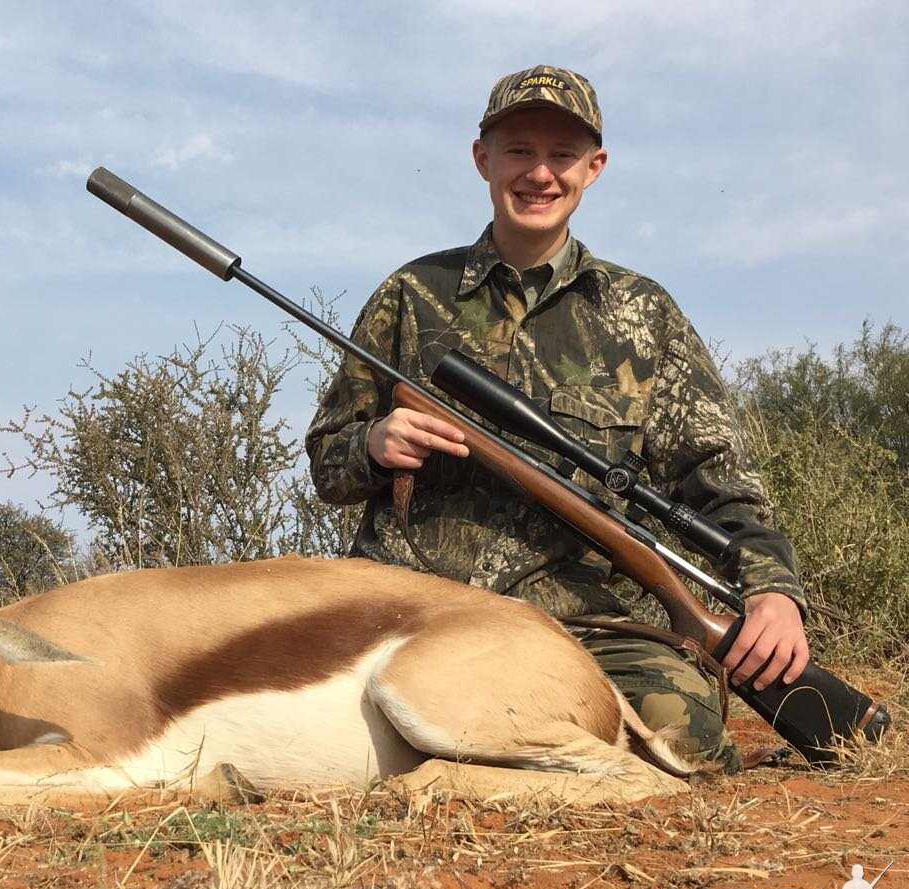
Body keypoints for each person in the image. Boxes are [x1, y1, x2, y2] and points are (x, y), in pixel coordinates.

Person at [305, 65, 811, 771]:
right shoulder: (411, 294)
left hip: (582, 620)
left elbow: (720, 478)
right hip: (413, 604)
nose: (539, 173)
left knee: (679, 734)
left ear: (594, 167)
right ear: (482, 158)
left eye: (561, 155)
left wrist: (773, 592)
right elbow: (329, 460)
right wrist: (375, 443)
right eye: (518, 150)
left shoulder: (643, 313)